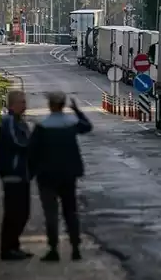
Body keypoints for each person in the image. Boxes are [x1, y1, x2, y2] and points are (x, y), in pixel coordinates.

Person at [28, 91, 93, 262]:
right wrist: (77, 110)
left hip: (47, 176)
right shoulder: (70, 123)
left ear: (50, 105)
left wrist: (30, 173)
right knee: (70, 211)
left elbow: (32, 152)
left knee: (51, 213)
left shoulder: (42, 126)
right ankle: (75, 248)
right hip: (68, 175)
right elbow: (87, 126)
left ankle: (53, 249)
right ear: (63, 105)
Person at [0, 90, 33, 261]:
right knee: (13, 213)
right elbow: (16, 142)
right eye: (22, 102)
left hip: (23, 174)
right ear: (12, 105)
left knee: (23, 212)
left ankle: (14, 246)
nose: (25, 105)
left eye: (25, 102)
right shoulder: (8, 122)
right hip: (12, 172)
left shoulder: (22, 123)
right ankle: (7, 249)